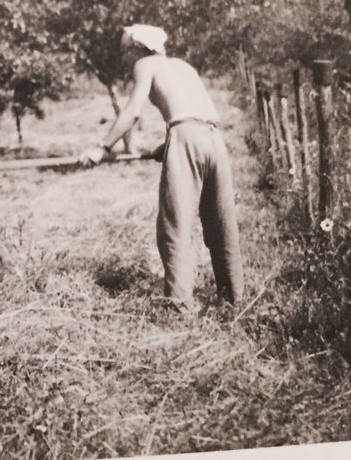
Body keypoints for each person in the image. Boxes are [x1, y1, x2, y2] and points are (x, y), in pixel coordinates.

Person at [77, 24, 243, 312]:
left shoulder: (145, 64)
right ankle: (234, 301)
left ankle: (179, 309)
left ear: (139, 48)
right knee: (222, 225)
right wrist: (168, 148)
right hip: (215, 140)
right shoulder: (183, 66)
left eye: (125, 51)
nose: (125, 59)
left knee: (174, 227)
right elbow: (192, 114)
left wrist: (102, 147)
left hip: (186, 137)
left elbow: (133, 112)